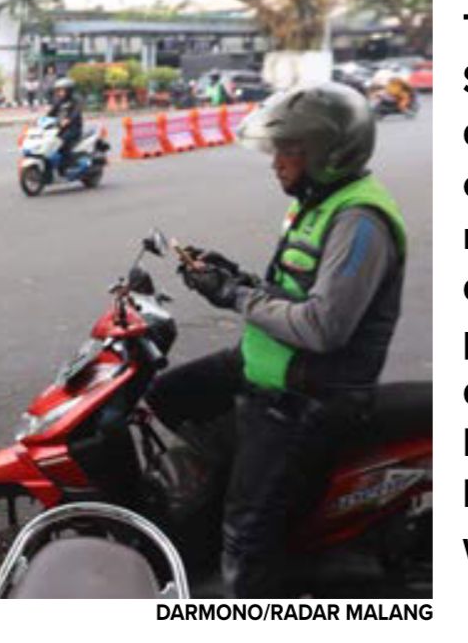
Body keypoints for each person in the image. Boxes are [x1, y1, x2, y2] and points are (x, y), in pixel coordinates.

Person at [148, 82, 406, 598]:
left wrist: (235, 297)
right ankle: (220, 499)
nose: (277, 162)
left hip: (308, 395)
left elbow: (321, 326)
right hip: (267, 364)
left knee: (247, 538)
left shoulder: (359, 220)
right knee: (167, 395)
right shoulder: (316, 203)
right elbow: (289, 290)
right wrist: (235, 277)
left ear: (330, 154)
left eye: (290, 150)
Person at [46, 77, 83, 172]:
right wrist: (43, 120)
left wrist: (68, 120)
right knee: (49, 142)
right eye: (58, 90)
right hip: (60, 128)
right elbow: (51, 113)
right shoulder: (59, 101)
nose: (59, 93)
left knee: (62, 142)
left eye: (62, 90)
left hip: (74, 128)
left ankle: (70, 164)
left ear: (69, 90)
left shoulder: (76, 100)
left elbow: (76, 113)